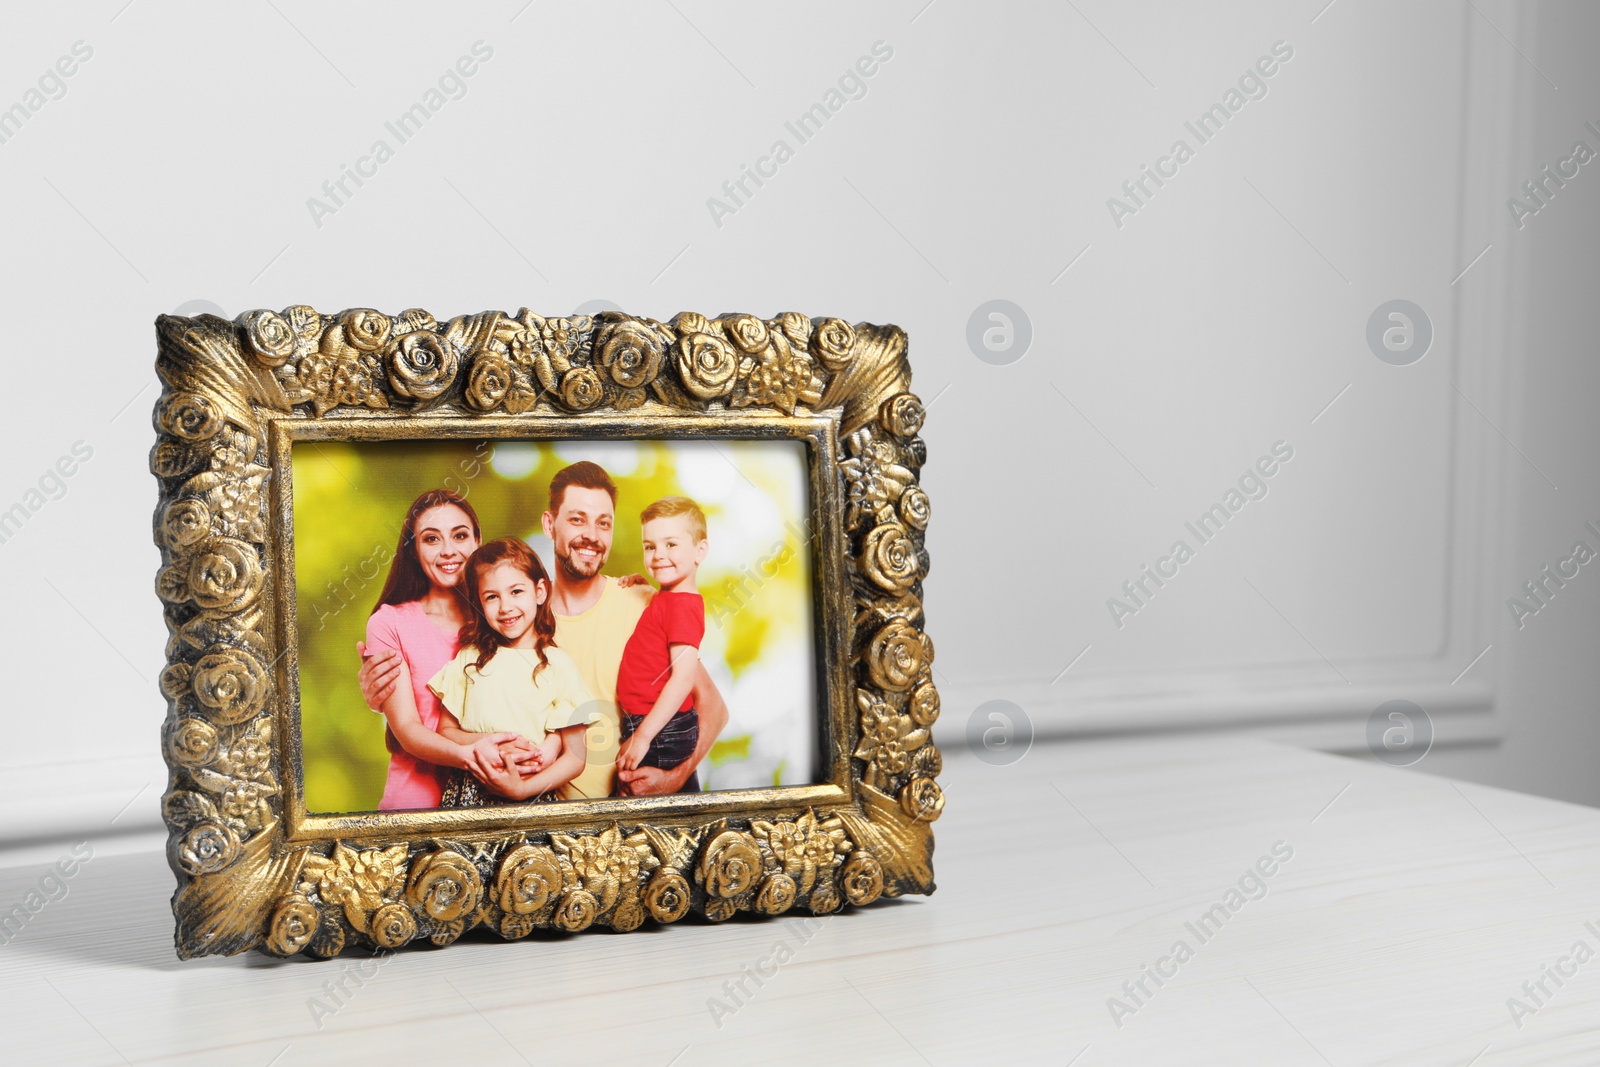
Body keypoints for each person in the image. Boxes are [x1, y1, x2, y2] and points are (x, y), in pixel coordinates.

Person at [363, 462, 728, 798]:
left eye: (604, 523)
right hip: (553, 823)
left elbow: (711, 706)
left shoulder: (640, 603)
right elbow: (451, 700)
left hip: (624, 811)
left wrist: (675, 778)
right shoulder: (516, 621)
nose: (591, 535)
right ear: (549, 525)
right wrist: (377, 699)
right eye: (577, 519)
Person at [359, 490, 524, 810]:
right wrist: (469, 755)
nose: (448, 551)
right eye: (431, 539)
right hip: (414, 806)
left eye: (460, 536)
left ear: (478, 541)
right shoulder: (389, 622)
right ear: (414, 551)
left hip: (497, 807)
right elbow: (407, 729)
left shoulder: (505, 616)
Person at [429, 539, 600, 803]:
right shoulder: (469, 658)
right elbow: (446, 731)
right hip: (470, 794)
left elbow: (575, 758)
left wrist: (521, 790)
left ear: (540, 591)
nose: (505, 606)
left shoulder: (559, 665)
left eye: (516, 591)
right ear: (479, 603)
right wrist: (489, 742)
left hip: (533, 795)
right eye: (492, 597)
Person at [615, 497, 708, 792]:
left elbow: (682, 680)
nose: (658, 555)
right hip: (654, 724)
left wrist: (643, 737)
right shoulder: (669, 598)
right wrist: (646, 585)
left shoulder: (683, 607)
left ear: (700, 551)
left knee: (637, 801)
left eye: (671, 545)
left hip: (661, 730)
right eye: (650, 546)